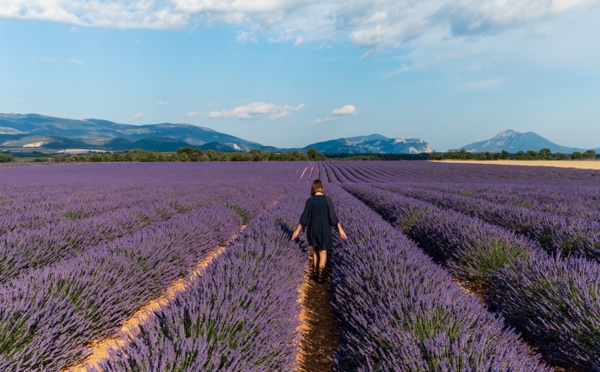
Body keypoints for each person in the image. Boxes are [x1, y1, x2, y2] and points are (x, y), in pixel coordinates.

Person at [291, 179, 347, 283]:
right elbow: (333, 217)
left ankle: (315, 273)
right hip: (324, 230)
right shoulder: (327, 200)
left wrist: (297, 231)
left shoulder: (310, 201)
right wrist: (340, 229)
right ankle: (320, 276)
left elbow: (304, 218)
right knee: (323, 252)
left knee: (315, 251)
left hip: (312, 230)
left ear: (313, 188)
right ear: (321, 188)